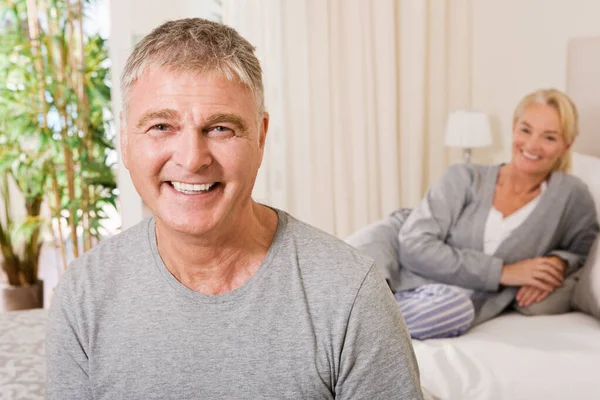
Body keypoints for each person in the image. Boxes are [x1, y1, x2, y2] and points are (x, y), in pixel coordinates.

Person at [45, 18, 423, 399]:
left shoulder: (350, 294)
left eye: (220, 128)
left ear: (260, 135)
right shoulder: (83, 296)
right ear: (125, 141)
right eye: (161, 126)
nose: (192, 160)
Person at [347, 88, 599, 340]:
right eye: (525, 130)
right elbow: (413, 246)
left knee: (454, 308)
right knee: (345, 273)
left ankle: (359, 328)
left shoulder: (571, 196)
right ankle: (353, 323)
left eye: (549, 137)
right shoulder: (464, 177)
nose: (532, 145)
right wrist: (504, 272)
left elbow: (582, 249)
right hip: (398, 257)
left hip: (445, 301)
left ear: (568, 143)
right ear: (513, 128)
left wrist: (559, 262)